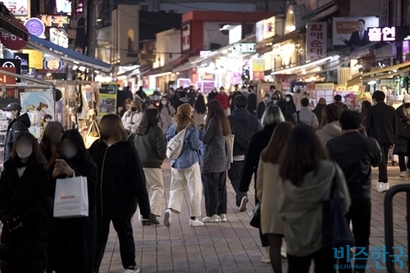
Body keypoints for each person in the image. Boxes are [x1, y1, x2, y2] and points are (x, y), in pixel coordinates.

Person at [89, 114, 158, 273]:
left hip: (122, 202)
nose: (100, 128)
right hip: (100, 202)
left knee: (124, 233)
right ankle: (93, 267)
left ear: (112, 128)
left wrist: (145, 209)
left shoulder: (127, 149)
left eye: (103, 125)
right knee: (99, 236)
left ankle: (130, 265)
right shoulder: (97, 147)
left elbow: (138, 179)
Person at [278, 125, 351, 273]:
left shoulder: (286, 172)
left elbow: (281, 206)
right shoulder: (330, 169)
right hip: (325, 234)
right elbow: (345, 202)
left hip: (296, 235)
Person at [327, 110, 381, 273]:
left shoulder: (332, 144)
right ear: (360, 125)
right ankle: (360, 269)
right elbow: (376, 162)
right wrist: (365, 136)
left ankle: (344, 269)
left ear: (341, 124)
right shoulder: (369, 143)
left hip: (339, 197)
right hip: (362, 197)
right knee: (362, 238)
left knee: (341, 237)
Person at [239, 105, 285, 264]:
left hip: (264, 182)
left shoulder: (258, 137)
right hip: (287, 182)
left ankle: (268, 251)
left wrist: (243, 188)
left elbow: (249, 163)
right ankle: (284, 247)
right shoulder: (288, 137)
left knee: (265, 217)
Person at [0, 132, 51, 272]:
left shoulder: (42, 172)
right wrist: (7, 218)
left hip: (34, 231)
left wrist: (25, 219)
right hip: (10, 233)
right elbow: (2, 198)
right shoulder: (8, 171)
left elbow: (44, 201)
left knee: (32, 266)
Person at [48, 130, 98, 273]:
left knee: (80, 258)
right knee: (61, 258)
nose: (67, 149)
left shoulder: (88, 165)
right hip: (60, 220)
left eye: (70, 145)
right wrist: (53, 176)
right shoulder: (56, 164)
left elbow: (91, 188)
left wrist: (73, 174)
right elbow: (47, 191)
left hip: (81, 221)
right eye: (64, 145)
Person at [257, 122, 294, 272]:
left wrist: (262, 198)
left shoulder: (266, 154)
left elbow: (259, 182)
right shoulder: (296, 154)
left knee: (274, 244)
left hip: (270, 205)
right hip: (292, 204)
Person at [164, 104, 204, 228]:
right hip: (190, 161)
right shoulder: (191, 127)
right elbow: (195, 144)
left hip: (176, 162)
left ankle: (170, 209)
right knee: (195, 189)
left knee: (176, 188)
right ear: (189, 113)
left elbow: (168, 140)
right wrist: (201, 143)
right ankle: (193, 218)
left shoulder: (173, 127)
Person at [228, 96, 262, 212]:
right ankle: (242, 197)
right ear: (247, 105)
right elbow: (259, 135)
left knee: (234, 176)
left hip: (234, 154)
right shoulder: (253, 119)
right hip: (249, 154)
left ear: (234, 105)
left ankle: (241, 195)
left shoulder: (229, 119)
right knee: (245, 177)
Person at [201, 100, 231, 223]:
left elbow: (205, 139)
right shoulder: (224, 120)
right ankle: (222, 213)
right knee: (221, 188)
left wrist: (203, 127)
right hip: (223, 159)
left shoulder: (213, 121)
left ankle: (212, 214)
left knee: (210, 188)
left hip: (212, 159)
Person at [134, 109, 167, 218]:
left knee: (143, 190)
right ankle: (151, 213)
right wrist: (161, 159)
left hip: (139, 164)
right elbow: (161, 149)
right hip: (153, 164)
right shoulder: (156, 131)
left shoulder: (138, 131)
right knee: (158, 188)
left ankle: (143, 214)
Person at [366, 91, 397, 192]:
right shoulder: (391, 109)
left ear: (374, 99)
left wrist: (367, 136)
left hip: (376, 138)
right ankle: (382, 181)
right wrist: (394, 139)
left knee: (382, 160)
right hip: (388, 138)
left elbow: (368, 125)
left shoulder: (371, 109)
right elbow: (395, 126)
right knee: (383, 159)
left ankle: (384, 181)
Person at [393, 95, 410, 177]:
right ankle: (402, 170)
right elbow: (396, 121)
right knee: (401, 153)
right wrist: (405, 119)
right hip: (401, 134)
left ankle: (409, 168)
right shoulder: (398, 110)